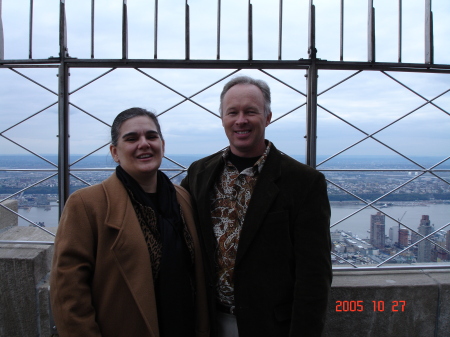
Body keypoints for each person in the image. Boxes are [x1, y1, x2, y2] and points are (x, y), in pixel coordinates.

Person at [181, 76, 332, 337]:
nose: (241, 120)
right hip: (208, 321)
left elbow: (314, 276)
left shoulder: (304, 182)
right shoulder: (199, 173)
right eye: (232, 112)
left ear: (268, 117)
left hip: (271, 326)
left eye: (251, 111)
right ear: (223, 119)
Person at [50, 108, 209, 337]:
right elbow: (68, 296)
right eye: (131, 138)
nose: (143, 144)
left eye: (151, 136)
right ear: (115, 152)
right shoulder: (87, 204)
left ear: (162, 145)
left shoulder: (182, 199)